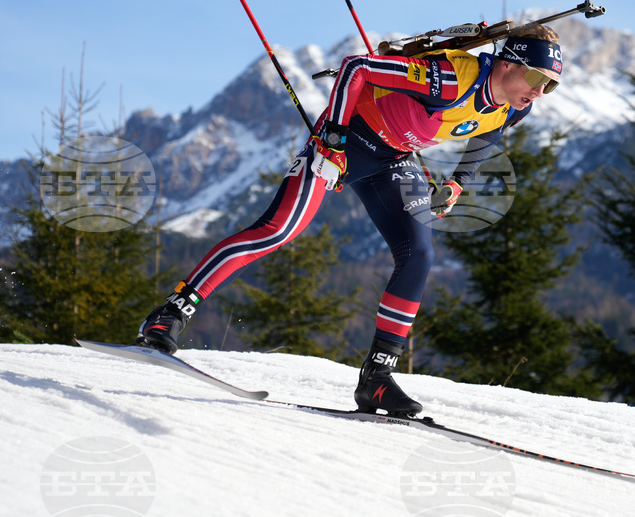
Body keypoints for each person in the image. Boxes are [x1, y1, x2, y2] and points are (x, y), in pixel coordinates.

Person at [135, 23, 564, 416]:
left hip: (393, 157)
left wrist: (457, 184)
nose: (541, 93)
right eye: (539, 79)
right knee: (278, 230)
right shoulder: (449, 78)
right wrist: (335, 139)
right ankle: (169, 314)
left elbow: (488, 133)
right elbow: (356, 68)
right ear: (509, 64)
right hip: (346, 143)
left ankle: (376, 380)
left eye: (552, 86)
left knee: (419, 255)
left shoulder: (515, 104)